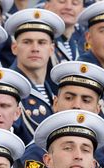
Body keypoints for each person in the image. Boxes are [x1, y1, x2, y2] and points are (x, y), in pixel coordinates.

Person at [4, 8, 65, 144]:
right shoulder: (6, 88)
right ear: (14, 48)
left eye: (42, 42)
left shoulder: (53, 89)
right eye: (27, 42)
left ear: (51, 49)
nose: (35, 48)